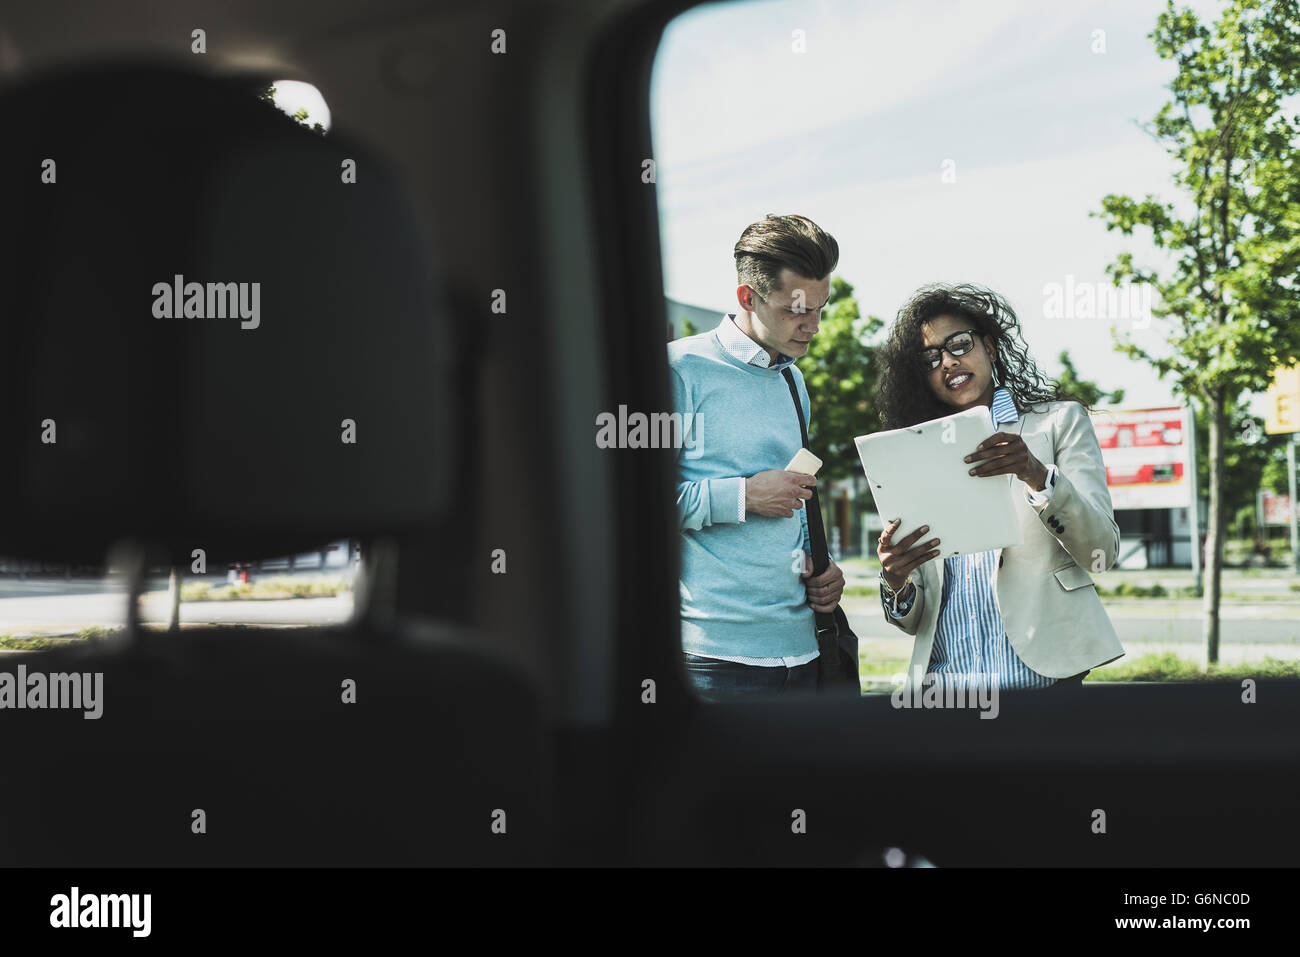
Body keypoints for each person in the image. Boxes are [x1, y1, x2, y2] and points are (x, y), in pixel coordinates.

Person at [873, 283, 1125, 695]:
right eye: (930, 358)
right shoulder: (910, 452)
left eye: (958, 344)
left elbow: (1102, 553)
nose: (948, 362)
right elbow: (912, 618)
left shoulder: (1059, 423)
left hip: (1042, 683)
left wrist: (1038, 478)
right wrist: (895, 579)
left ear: (989, 347)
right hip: (946, 691)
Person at [669, 214, 846, 701]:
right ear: (748, 297)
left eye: (819, 309)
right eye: (796, 311)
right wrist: (743, 495)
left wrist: (822, 565)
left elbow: (796, 494)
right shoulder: (679, 370)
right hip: (712, 662)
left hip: (805, 651)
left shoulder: (793, 380)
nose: (812, 327)